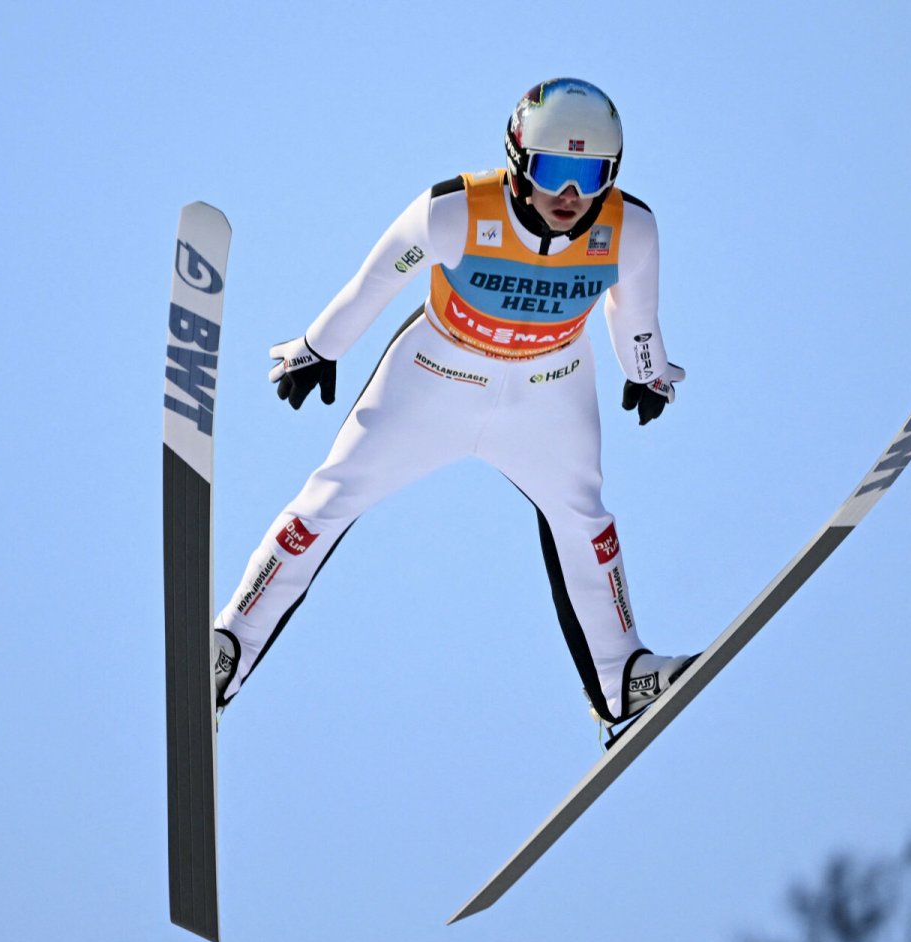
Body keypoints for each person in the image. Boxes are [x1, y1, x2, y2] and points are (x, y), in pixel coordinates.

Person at [212, 78, 691, 727]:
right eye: (554, 170)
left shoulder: (630, 230)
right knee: (328, 498)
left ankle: (622, 677)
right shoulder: (454, 211)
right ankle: (229, 646)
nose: (571, 195)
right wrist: (318, 348)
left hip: (548, 393)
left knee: (586, 522)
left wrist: (648, 372)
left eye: (590, 173)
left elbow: (637, 317)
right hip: (436, 377)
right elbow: (372, 284)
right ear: (520, 161)